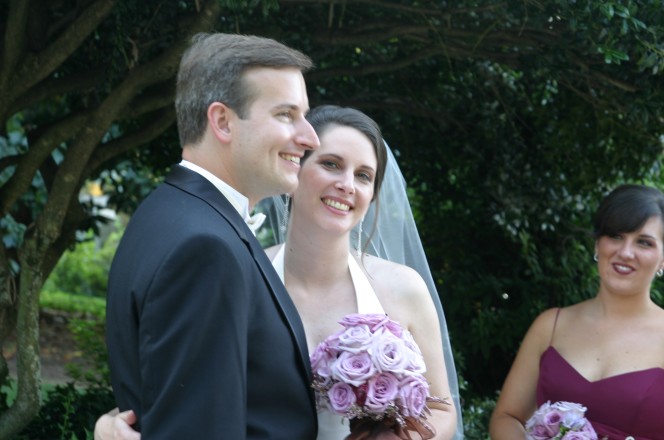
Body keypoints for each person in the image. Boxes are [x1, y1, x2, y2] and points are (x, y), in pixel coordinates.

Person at [97, 105, 463, 439]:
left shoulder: (403, 288)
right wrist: (112, 423)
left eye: (364, 175)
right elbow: (188, 385)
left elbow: (443, 411)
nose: (347, 184)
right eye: (330, 164)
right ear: (294, 170)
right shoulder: (241, 273)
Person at [104, 32, 320, 438]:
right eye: (286, 115)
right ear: (222, 121)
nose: (310, 138)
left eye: (304, 115)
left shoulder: (166, 213)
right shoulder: (205, 249)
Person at [489, 184, 664, 439]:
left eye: (644, 243)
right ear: (597, 244)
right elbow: (507, 417)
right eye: (615, 236)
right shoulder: (550, 326)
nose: (625, 252)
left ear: (662, 259)